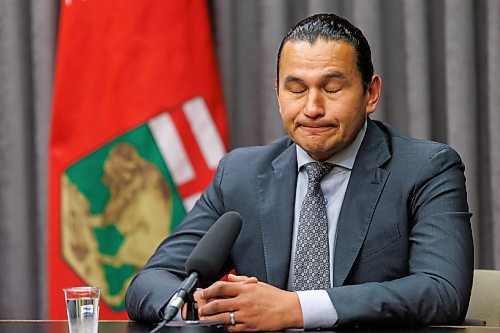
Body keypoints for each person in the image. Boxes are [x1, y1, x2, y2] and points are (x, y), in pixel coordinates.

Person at [125, 13, 473, 331]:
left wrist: (296, 308)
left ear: (371, 93)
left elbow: (442, 291)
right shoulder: (241, 175)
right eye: (296, 89)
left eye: (332, 88)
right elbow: (152, 281)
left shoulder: (425, 169)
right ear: (278, 94)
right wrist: (197, 304)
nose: (312, 108)